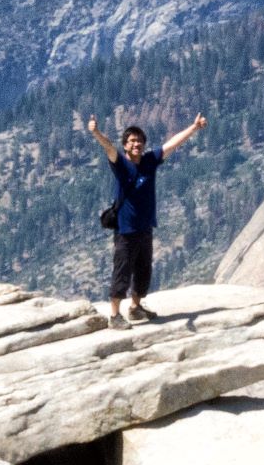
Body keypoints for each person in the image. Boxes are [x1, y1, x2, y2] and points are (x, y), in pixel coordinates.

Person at [83, 112, 207, 328]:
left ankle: (135, 308)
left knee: (143, 271)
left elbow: (172, 144)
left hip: (145, 228)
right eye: (132, 141)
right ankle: (114, 316)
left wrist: (194, 128)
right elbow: (109, 147)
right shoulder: (121, 164)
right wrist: (95, 132)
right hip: (125, 231)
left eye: (139, 140)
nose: (136, 144)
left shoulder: (149, 161)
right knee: (122, 272)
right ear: (125, 145)